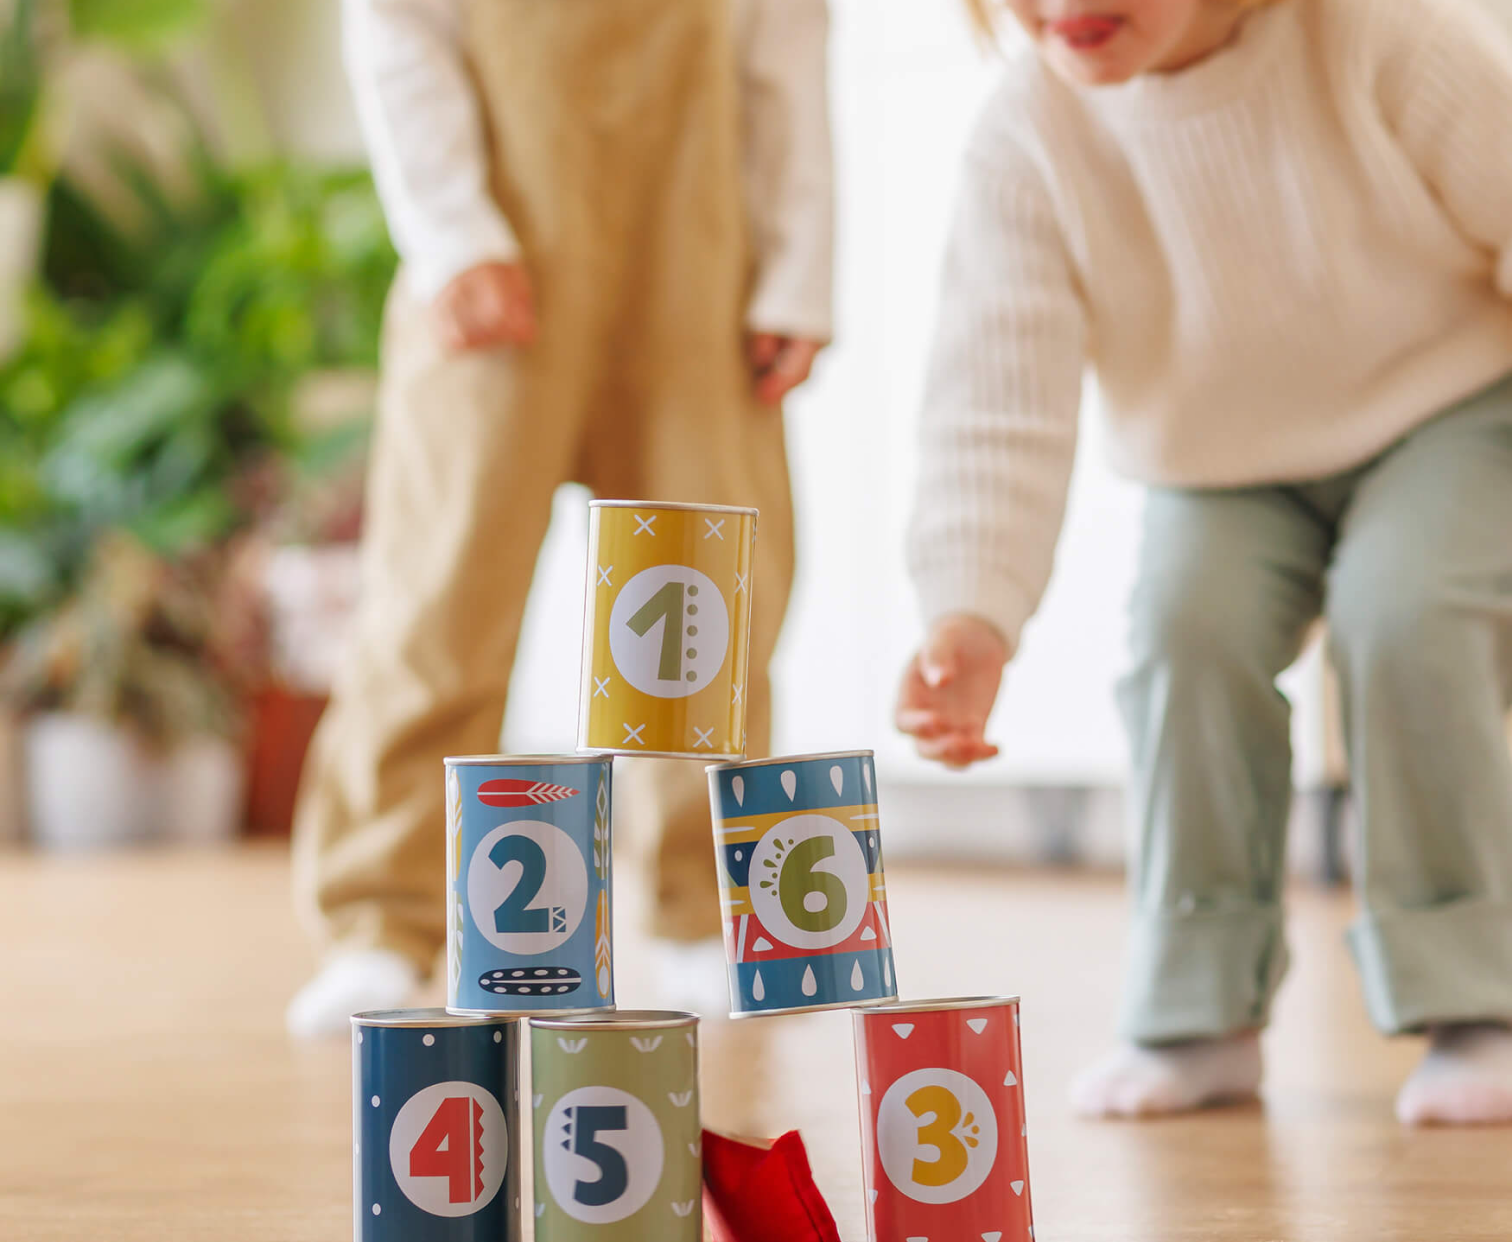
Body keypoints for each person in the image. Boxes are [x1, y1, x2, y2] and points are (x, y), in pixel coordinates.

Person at [897, 0, 1512, 1124]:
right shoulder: (1028, 135)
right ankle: (1197, 1009)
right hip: (1221, 461)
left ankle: (1478, 996)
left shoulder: (1388, 36)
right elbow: (995, 388)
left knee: (1405, 614)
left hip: (1450, 411)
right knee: (1186, 637)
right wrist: (972, 610)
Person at [285, 0, 833, 1037]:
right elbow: (397, 27)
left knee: (699, 602)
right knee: (443, 591)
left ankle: (698, 907)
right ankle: (381, 917)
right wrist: (451, 232)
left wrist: (797, 272)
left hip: (698, 260)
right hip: (496, 248)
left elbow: (788, 57)